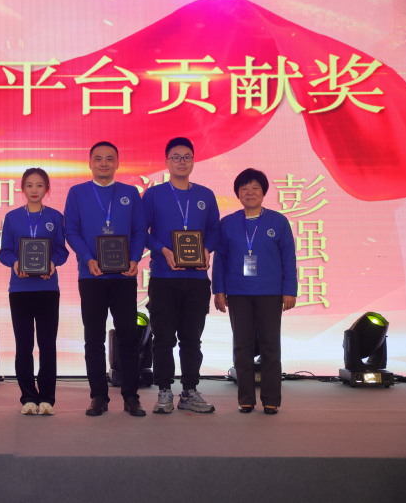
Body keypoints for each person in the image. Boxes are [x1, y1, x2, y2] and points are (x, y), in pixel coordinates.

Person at [64, 141, 148, 417]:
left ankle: (131, 396)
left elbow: (139, 230)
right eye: (98, 159)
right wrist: (89, 259)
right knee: (93, 338)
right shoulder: (77, 193)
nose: (103, 163)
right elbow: (71, 231)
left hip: (124, 276)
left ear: (117, 163)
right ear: (90, 163)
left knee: (128, 337)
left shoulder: (129, 193)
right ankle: (98, 396)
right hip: (92, 275)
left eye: (109, 159)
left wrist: (134, 258)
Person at [143, 137, 219, 414]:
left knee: (191, 339)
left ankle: (189, 391)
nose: (181, 162)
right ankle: (164, 391)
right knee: (163, 339)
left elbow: (214, 231)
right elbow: (142, 232)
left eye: (186, 157)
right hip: (164, 277)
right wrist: (164, 250)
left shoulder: (205, 195)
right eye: (175, 157)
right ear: (167, 162)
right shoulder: (153, 195)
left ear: (193, 161)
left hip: (196, 280)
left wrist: (207, 249)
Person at [213, 168, 297, 415]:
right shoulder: (228, 223)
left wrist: (289, 290)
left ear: (263, 192)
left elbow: (288, 258)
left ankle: (271, 399)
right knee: (242, 346)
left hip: (270, 292)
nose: (249, 193)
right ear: (238, 194)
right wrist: (219, 290)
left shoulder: (278, 221)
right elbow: (220, 259)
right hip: (238, 292)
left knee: (270, 346)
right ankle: (246, 399)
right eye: (244, 188)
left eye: (255, 188)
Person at [0, 168, 69, 415]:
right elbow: (4, 252)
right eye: (29, 185)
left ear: (47, 189)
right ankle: (28, 397)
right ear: (22, 188)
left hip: (48, 288)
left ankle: (47, 398)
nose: (34, 190)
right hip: (20, 289)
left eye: (39, 185)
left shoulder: (56, 217)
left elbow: (62, 250)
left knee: (47, 345)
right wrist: (16, 263)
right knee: (24, 344)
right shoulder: (12, 217)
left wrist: (53, 263)